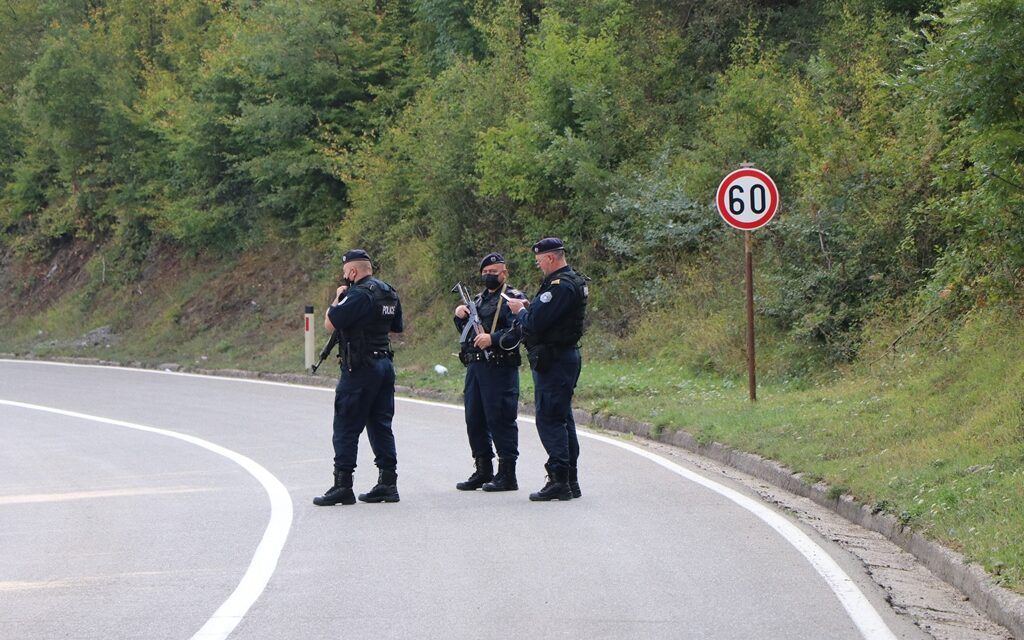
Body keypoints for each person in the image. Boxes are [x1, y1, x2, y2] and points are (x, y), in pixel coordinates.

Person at [314, 249, 404, 507]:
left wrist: (338, 297)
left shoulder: (357, 295)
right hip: (384, 365)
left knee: (346, 426)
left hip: (361, 367)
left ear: (352, 272)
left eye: (345, 272)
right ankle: (388, 483)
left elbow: (331, 323)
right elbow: (396, 326)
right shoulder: (388, 292)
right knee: (380, 424)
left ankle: (343, 485)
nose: (345, 276)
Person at [505, 238, 588, 502]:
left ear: (550, 258)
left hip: (555, 359)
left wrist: (520, 311)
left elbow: (535, 322)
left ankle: (559, 480)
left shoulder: (559, 286)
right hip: (563, 357)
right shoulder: (573, 281)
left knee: (550, 419)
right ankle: (570, 480)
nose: (539, 265)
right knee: (563, 419)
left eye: (539, 260)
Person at [453, 252, 528, 492]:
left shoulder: (513, 298)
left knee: (500, 418)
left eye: (493, 272)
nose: (489, 276)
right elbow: (468, 333)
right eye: (485, 272)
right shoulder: (478, 300)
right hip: (476, 367)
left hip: (499, 366)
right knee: (474, 418)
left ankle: (507, 473)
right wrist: (460, 316)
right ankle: (482, 469)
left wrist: (493, 339)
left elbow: (520, 330)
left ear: (504, 273)